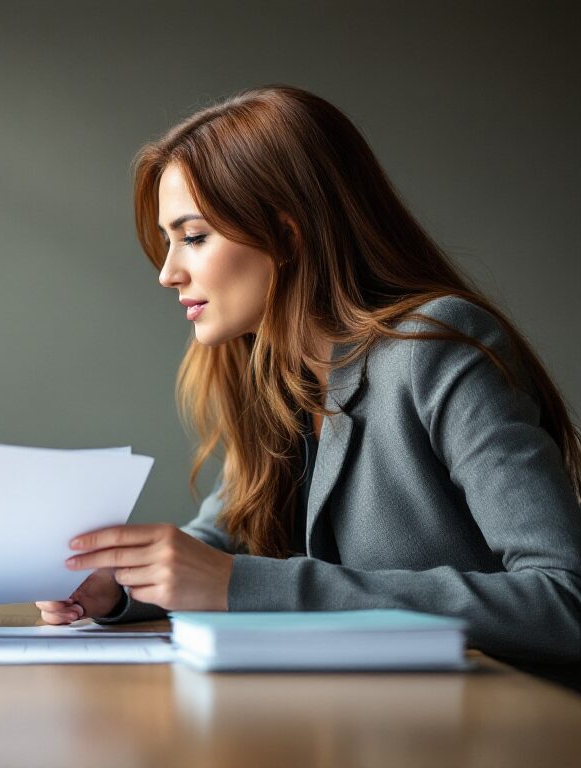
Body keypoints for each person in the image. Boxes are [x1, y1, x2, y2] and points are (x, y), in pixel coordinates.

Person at [37, 86, 581, 676]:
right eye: (169, 241)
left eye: (193, 237)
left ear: (288, 235)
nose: (169, 272)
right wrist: (117, 587)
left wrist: (246, 586)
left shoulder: (435, 347)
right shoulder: (276, 373)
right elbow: (218, 549)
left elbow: (564, 600)